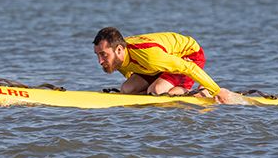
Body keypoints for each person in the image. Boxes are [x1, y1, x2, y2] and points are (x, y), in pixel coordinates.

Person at [93, 27, 245, 104]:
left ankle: (203, 92)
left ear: (119, 50)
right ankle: (164, 87)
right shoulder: (117, 58)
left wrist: (217, 90)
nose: (100, 61)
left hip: (188, 56)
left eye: (103, 55)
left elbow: (188, 68)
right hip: (159, 65)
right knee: (127, 89)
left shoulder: (150, 56)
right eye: (98, 55)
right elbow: (131, 74)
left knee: (157, 90)